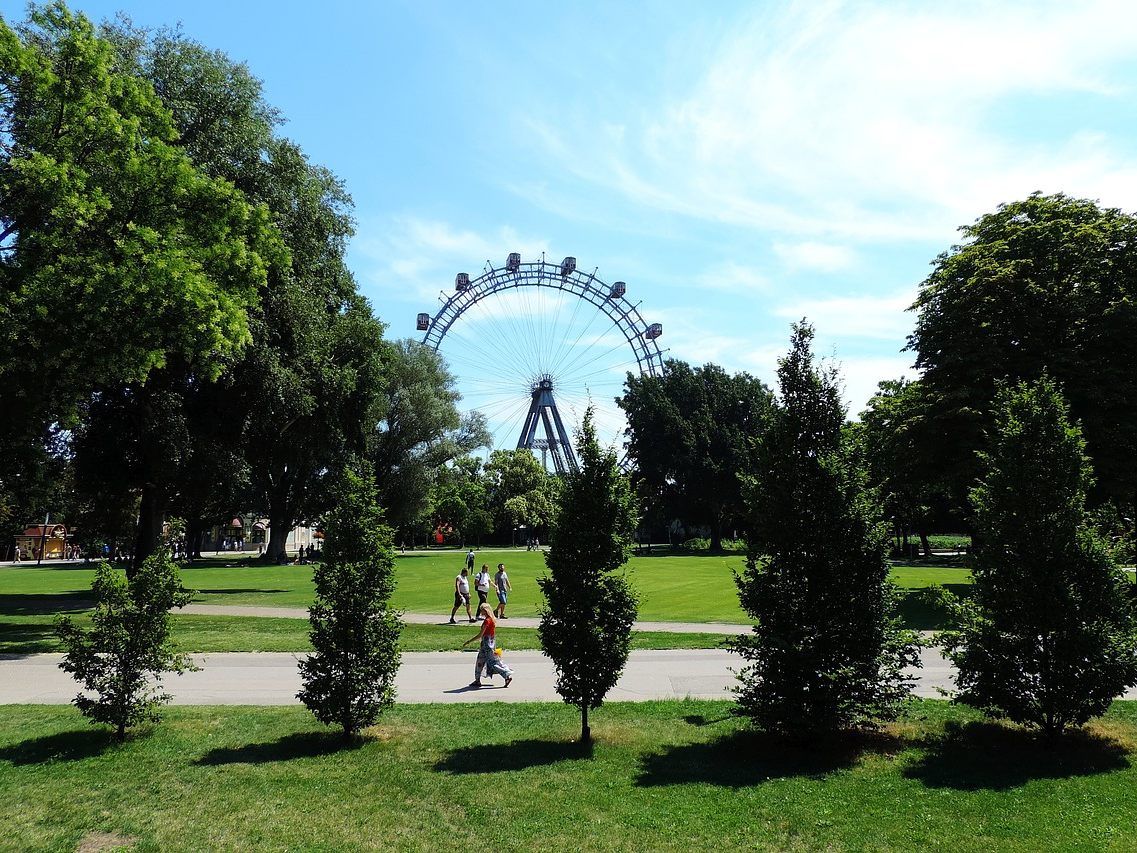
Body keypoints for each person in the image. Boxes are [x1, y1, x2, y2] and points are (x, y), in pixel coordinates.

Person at [462, 603, 513, 688]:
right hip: (490, 643)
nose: (480, 611)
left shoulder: (487, 621)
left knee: (492, 662)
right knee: (480, 661)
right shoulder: (492, 619)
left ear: (485, 610)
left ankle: (506, 675)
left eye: (481, 609)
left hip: (486, 644)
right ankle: (477, 680)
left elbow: (480, 635)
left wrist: (469, 641)